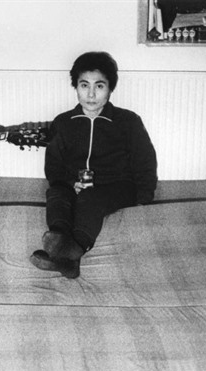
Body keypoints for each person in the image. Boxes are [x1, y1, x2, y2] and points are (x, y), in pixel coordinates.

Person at [30, 51, 158, 279]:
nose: (91, 94)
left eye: (99, 86)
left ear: (110, 88)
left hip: (118, 186)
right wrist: (71, 183)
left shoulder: (128, 121)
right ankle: (62, 248)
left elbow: (145, 162)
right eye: (84, 85)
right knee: (57, 193)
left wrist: (143, 198)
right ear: (76, 87)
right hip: (75, 185)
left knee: (90, 198)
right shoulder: (63, 122)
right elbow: (54, 166)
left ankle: (74, 248)